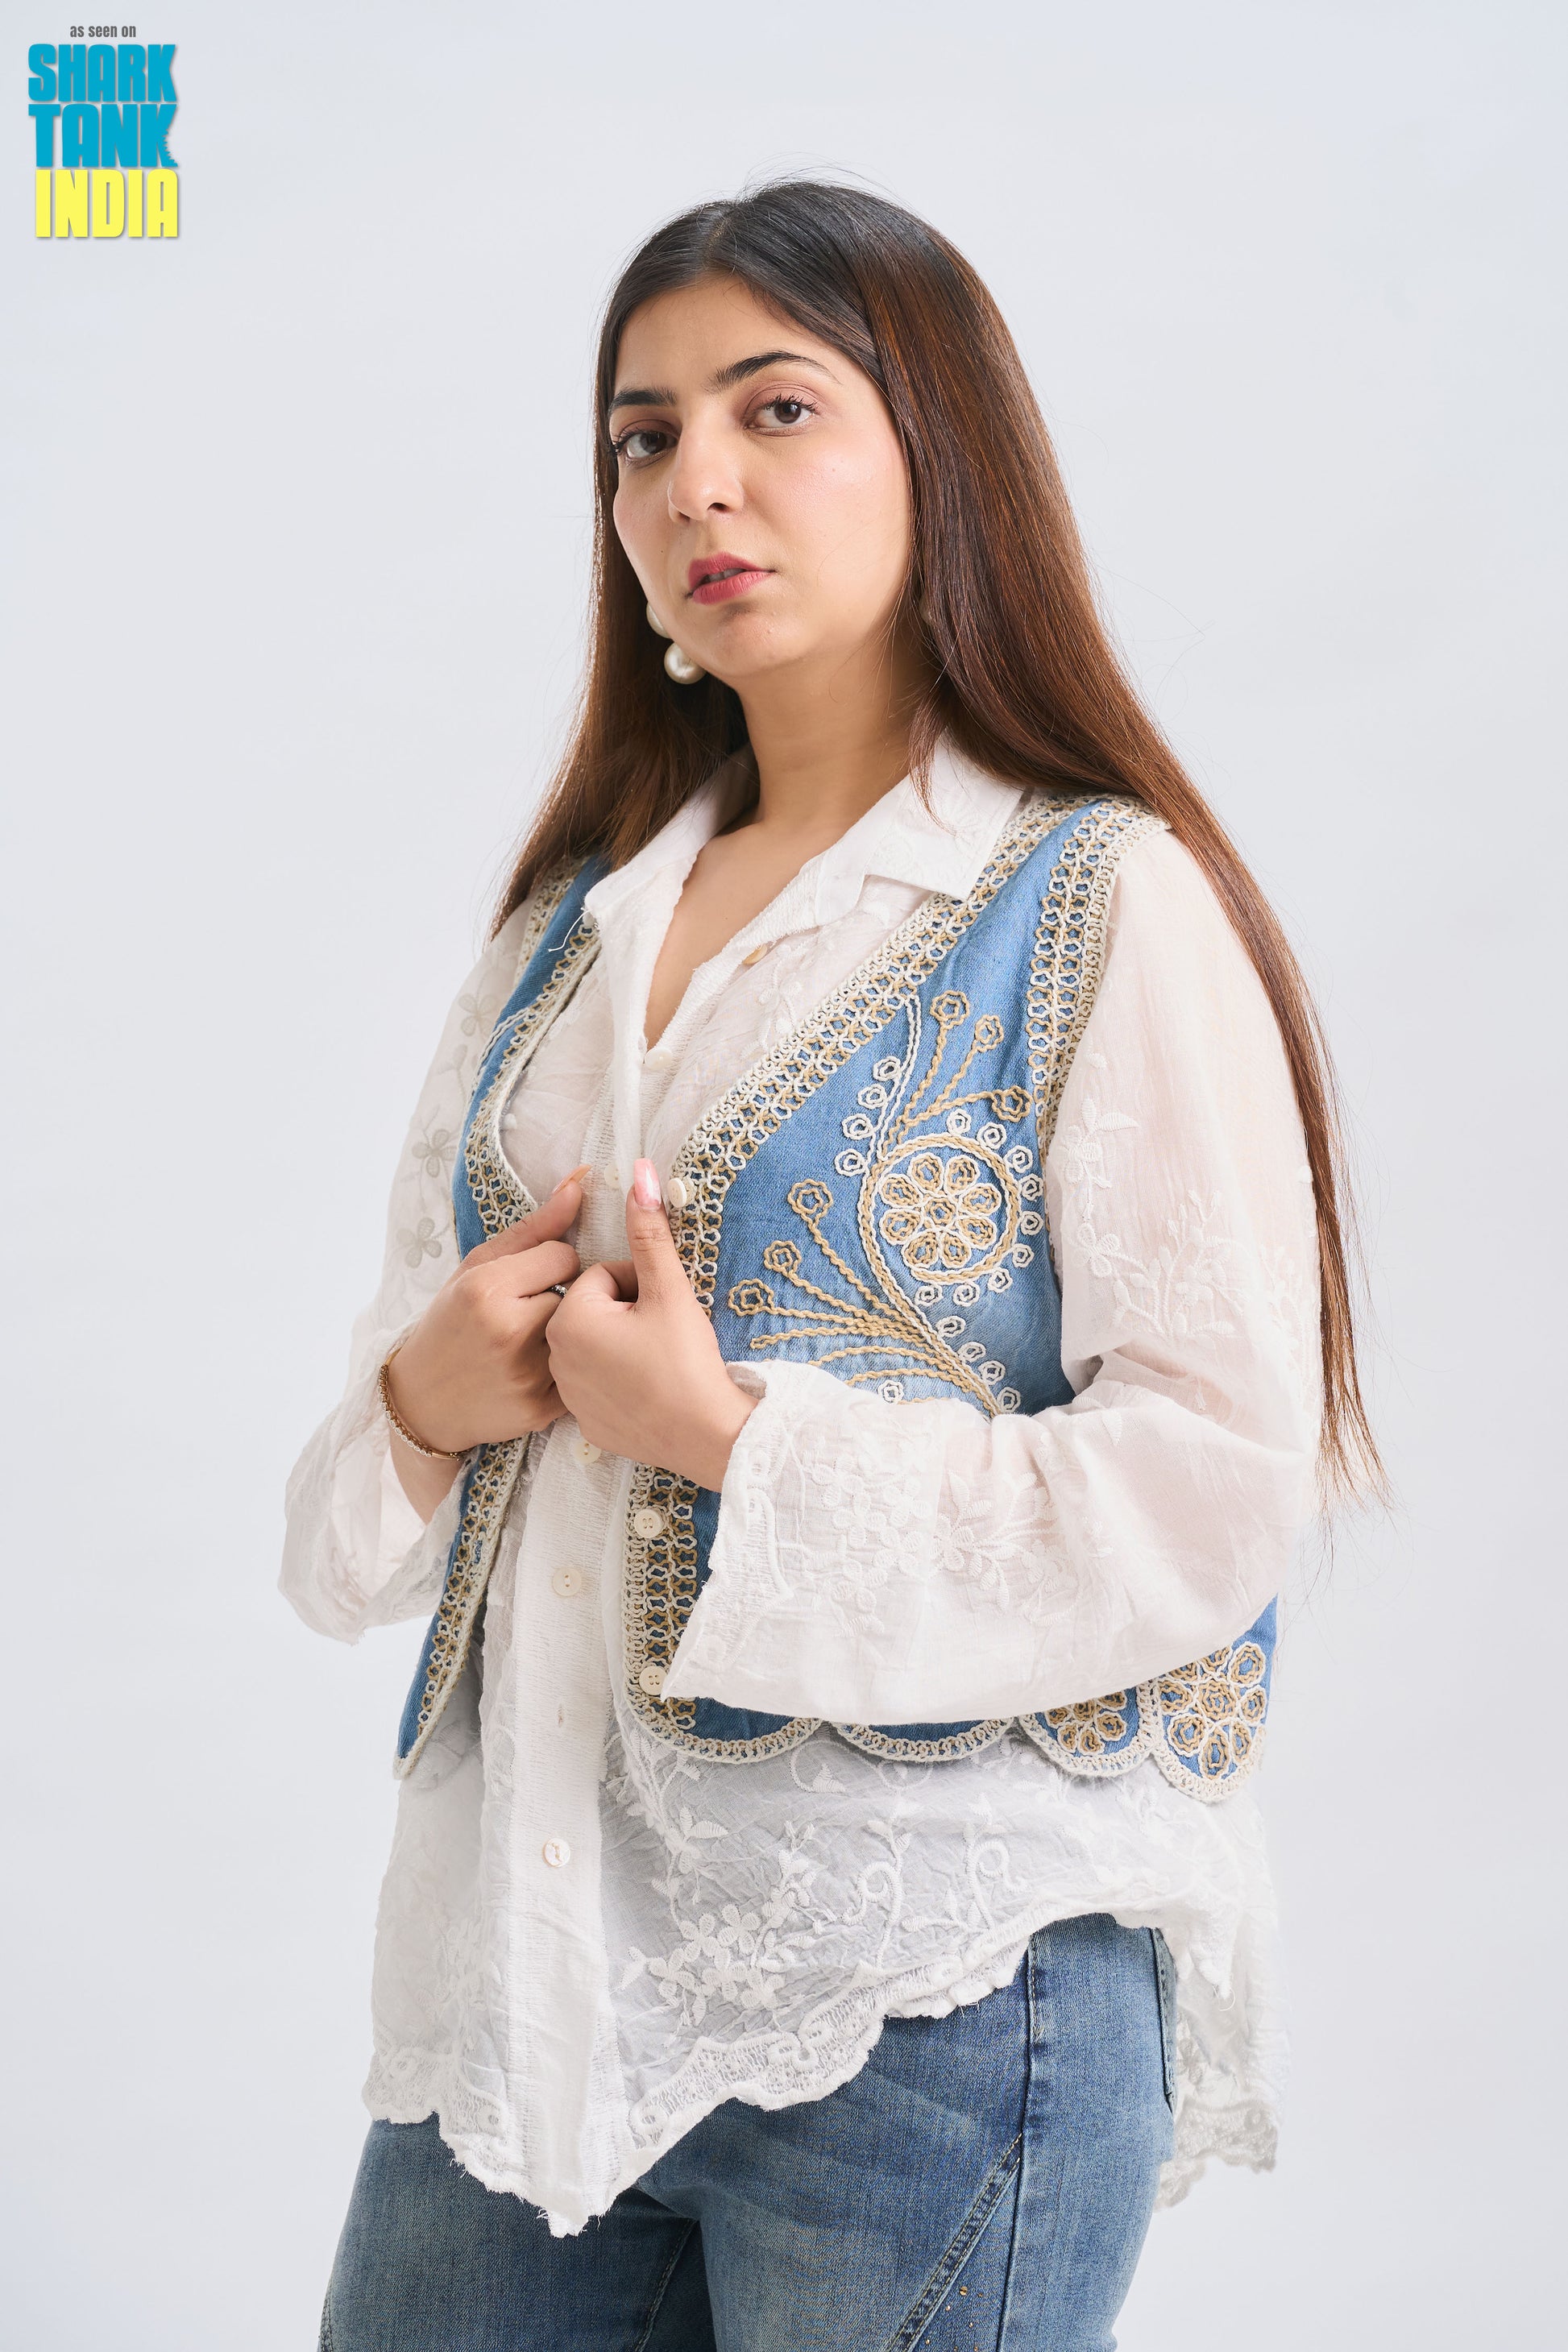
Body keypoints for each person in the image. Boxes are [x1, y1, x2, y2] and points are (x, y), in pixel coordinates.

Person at [284, 180, 1378, 2352]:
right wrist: (427, 1401)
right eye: (640, 435)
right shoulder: (559, 942)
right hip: (527, 1997)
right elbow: (349, 1526)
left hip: (934, 1990)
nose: (697, 480)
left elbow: (1214, 1484)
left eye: (774, 407)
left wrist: (723, 1438)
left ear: (938, 453)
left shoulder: (1097, 902)